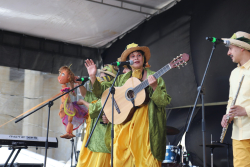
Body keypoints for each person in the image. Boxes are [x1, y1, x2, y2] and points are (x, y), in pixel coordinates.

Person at [85, 43, 171, 166]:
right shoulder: (121, 79)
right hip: (124, 125)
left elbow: (164, 102)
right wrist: (93, 76)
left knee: (147, 162)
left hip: (147, 128)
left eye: (139, 55)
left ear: (143, 59)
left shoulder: (154, 77)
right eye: (132, 56)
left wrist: (155, 86)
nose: (136, 58)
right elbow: (102, 93)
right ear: (128, 61)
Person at [76, 64, 118, 167]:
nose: (101, 76)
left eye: (103, 74)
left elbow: (96, 107)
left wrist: (83, 102)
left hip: (103, 138)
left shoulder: (111, 91)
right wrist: (80, 84)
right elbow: (86, 95)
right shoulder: (99, 91)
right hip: (93, 137)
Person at [220, 31, 250, 167]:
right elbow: (231, 99)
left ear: (241, 47)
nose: (228, 53)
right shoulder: (234, 73)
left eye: (230, 48)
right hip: (238, 133)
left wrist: (246, 111)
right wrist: (228, 115)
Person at [58, 65, 88, 139]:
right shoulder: (64, 88)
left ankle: (69, 133)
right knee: (67, 118)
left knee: (69, 119)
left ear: (68, 77)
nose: (59, 76)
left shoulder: (66, 89)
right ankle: (69, 132)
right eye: (60, 74)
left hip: (68, 105)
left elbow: (66, 98)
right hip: (65, 104)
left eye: (62, 74)